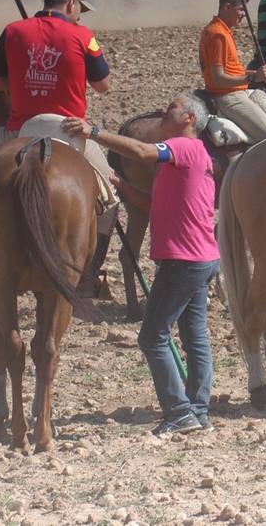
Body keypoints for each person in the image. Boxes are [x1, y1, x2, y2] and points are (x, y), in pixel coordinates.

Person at [64, 95, 219, 436]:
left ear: (190, 118)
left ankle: (179, 412)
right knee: (194, 337)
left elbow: (144, 151)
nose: (166, 108)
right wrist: (119, 185)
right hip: (201, 258)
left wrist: (93, 132)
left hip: (184, 260)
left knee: (152, 337)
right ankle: (198, 410)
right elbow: (152, 204)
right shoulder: (192, 161)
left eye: (174, 106)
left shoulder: (185, 147)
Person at [0, 0, 116, 283]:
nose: (80, 16)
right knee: (109, 196)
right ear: (70, 4)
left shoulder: (13, 31)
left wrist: (24, 76)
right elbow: (103, 85)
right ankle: (91, 273)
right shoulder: (84, 36)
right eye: (80, 9)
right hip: (70, 131)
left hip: (19, 130)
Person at [199, 0, 266, 144]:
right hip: (230, 97)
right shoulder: (218, 35)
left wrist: (253, 73)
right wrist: (253, 77)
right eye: (241, 9)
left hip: (236, 92)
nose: (244, 14)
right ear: (227, 7)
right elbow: (218, 79)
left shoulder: (219, 30)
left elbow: (227, 70)